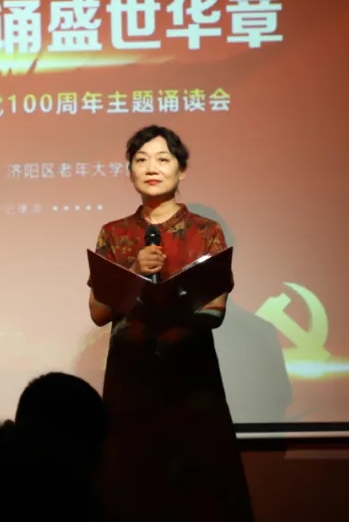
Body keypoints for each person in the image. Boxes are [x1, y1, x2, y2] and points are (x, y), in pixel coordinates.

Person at [87, 125, 253, 522]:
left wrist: (172, 300)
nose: (151, 168)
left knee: (199, 484)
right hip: (131, 372)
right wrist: (133, 271)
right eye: (141, 160)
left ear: (182, 170)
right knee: (131, 480)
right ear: (130, 171)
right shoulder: (114, 233)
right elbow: (98, 312)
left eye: (163, 159)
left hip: (190, 373)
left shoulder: (206, 231)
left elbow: (215, 310)